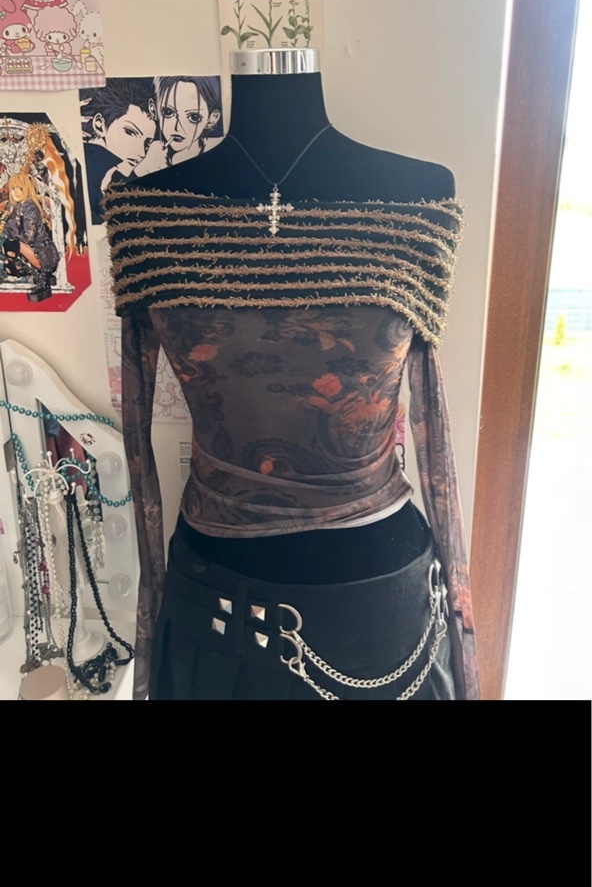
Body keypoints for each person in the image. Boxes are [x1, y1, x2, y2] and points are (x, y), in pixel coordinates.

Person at [104, 50, 479, 701]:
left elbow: (429, 407)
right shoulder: (146, 214)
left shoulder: (418, 198)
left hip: (380, 590)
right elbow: (136, 425)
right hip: (218, 587)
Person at [80, 79, 157, 223]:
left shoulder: (121, 175)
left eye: (147, 143)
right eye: (130, 132)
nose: (141, 153)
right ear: (99, 124)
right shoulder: (91, 165)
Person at [135, 75, 222, 173]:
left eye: (194, 117)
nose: (178, 128)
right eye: (168, 112)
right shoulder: (149, 155)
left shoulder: (221, 150)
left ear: (212, 119)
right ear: (153, 109)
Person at [1, 171, 60, 303]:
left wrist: (9, 221)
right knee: (8, 266)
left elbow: (28, 238)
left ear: (27, 189)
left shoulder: (30, 207)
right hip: (32, 252)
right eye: (13, 189)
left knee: (10, 245)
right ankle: (36, 275)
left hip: (44, 254)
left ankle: (43, 279)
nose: (16, 192)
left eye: (20, 188)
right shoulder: (15, 207)